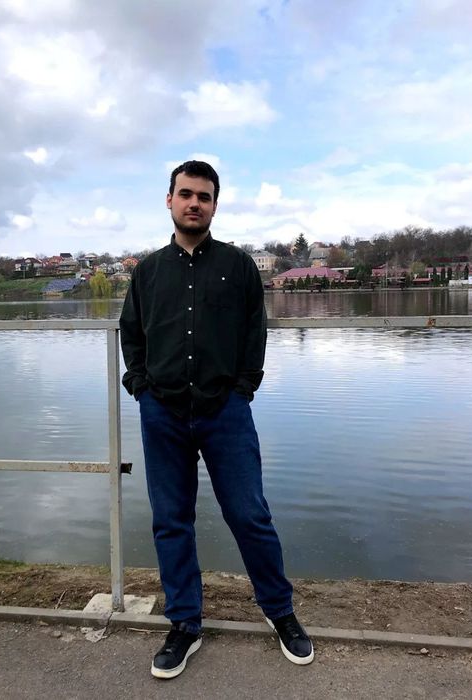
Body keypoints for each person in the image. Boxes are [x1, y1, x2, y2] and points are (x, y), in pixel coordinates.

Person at [120, 160, 314, 679]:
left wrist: (243, 388)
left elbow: (254, 330)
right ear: (169, 200)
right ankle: (184, 624)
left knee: (249, 515)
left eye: (203, 196)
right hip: (162, 411)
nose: (194, 203)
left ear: (214, 205)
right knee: (171, 520)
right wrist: (140, 386)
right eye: (185, 194)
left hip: (225, 411)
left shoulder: (238, 265)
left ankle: (280, 612)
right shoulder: (147, 272)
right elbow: (131, 333)